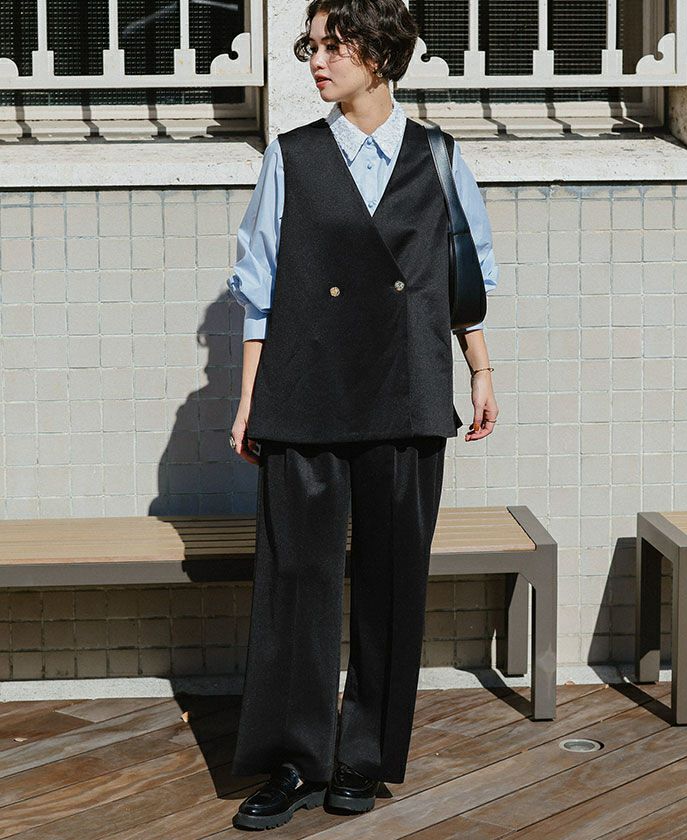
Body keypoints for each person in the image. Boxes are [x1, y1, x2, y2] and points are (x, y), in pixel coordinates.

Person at [227, 0, 499, 830]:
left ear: (380, 52)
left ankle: (364, 757)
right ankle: (292, 761)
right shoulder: (293, 156)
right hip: (303, 389)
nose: (317, 61)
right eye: (311, 45)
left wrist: (481, 373)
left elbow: (467, 279)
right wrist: (248, 400)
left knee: (391, 581)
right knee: (295, 584)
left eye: (334, 45)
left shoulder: (440, 157)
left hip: (406, 388)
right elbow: (259, 287)